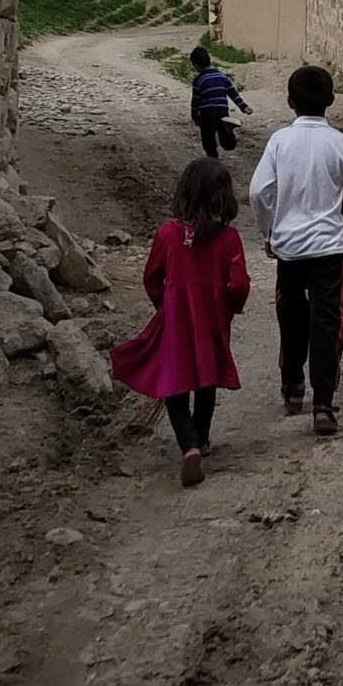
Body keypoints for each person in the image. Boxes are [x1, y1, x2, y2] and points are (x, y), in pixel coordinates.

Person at [109, 158, 252, 488]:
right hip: (212, 320)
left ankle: (188, 445)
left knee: (174, 383)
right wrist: (232, 306)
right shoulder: (228, 239)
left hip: (175, 319)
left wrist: (165, 305)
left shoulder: (167, 235)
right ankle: (200, 438)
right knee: (206, 378)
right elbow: (239, 284)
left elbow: (151, 277)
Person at [249, 64, 343, 437]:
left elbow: (258, 192)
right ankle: (323, 404)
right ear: (331, 101)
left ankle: (291, 386)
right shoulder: (339, 142)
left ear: (289, 102)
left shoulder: (279, 142)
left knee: (291, 317)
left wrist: (269, 230)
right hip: (329, 250)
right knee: (326, 322)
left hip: (288, 250)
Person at [189, 42, 250, 157]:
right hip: (222, 114)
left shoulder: (198, 80)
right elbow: (233, 93)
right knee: (228, 144)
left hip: (206, 116)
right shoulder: (222, 76)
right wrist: (243, 106)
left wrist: (194, 116)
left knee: (208, 141)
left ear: (196, 65)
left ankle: (213, 159)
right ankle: (228, 132)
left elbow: (195, 101)